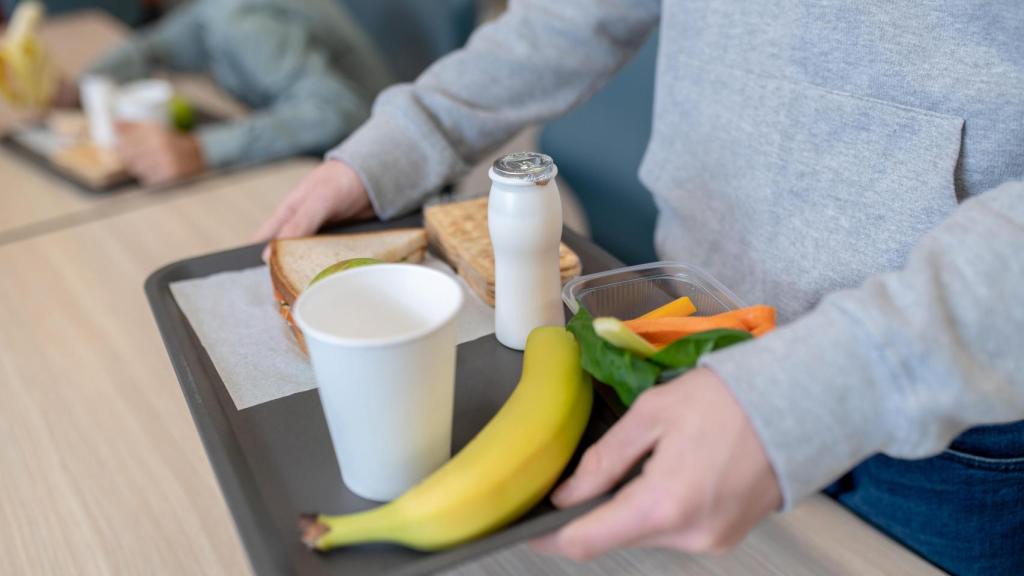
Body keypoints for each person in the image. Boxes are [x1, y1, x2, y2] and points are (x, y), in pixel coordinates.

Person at [257, 1, 1024, 573]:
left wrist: (821, 387)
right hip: (673, 340)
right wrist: (407, 136)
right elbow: (574, 12)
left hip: (939, 415)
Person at [75, 0, 392, 185]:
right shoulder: (217, 8)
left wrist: (198, 151)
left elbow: (337, 111)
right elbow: (157, 48)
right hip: (318, 164)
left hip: (366, 168)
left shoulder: (247, 22)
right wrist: (85, 84)